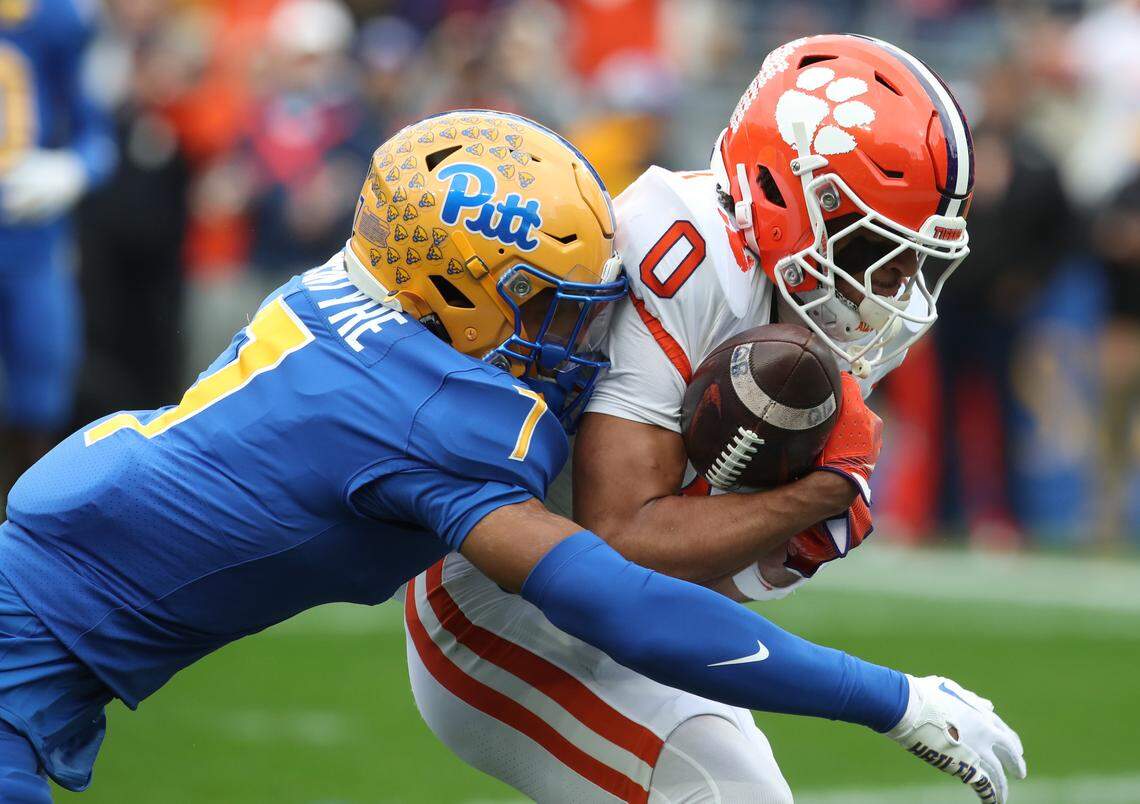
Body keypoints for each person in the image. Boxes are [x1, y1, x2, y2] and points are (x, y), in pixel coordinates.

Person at [0, 110, 1019, 802]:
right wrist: (893, 699)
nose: (579, 337)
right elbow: (621, 602)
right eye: (552, 305)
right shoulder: (428, 413)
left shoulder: (355, 295)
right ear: (456, 286)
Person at [405, 37, 1005, 803]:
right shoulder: (682, 253)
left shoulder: (808, 304)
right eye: (878, 248)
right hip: (502, 604)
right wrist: (816, 498)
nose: (897, 284)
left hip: (617, 611)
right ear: (795, 199)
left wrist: (776, 555)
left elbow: (688, 582)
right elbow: (619, 541)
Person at [0, 0, 116, 502]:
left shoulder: (59, 19)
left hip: (30, 233)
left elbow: (98, 134)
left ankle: (22, 542)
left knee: (39, 403)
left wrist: (72, 170)